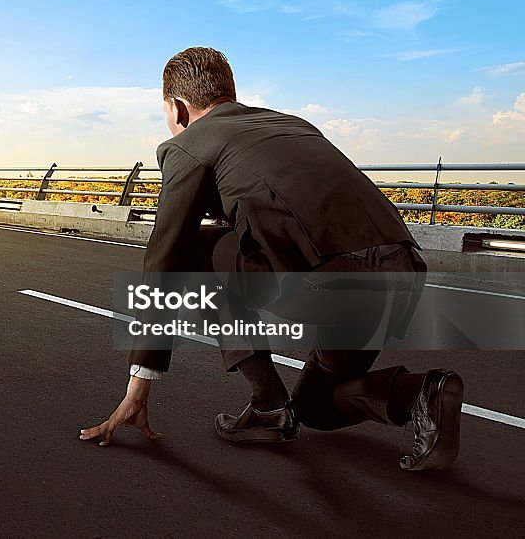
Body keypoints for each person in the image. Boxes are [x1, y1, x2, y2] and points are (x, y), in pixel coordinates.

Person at [80, 47, 464, 471]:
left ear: (178, 108)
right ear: (230, 93)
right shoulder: (293, 126)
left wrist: (139, 386)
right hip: (401, 272)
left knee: (193, 249)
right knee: (317, 406)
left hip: (329, 279)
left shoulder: (189, 144)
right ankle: (421, 393)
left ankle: (266, 400)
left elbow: (164, 261)